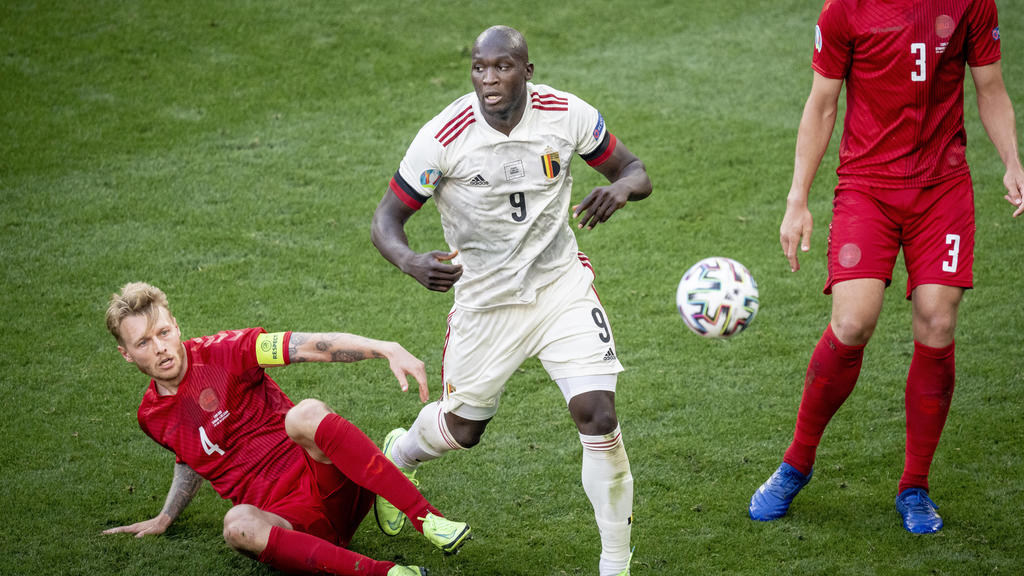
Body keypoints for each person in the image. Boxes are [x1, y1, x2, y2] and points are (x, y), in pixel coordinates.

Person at [370, 25, 652, 576]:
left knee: (598, 415)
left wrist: (620, 189)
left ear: (527, 70)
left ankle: (615, 562)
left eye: (502, 67)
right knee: (463, 430)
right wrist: (409, 261)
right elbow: (386, 219)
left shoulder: (567, 114)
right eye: (479, 67)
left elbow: (634, 170)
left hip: (559, 288)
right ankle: (397, 459)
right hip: (485, 303)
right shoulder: (443, 138)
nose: (489, 79)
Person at [749, 0, 1023, 534]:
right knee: (852, 322)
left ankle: (915, 486)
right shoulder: (845, 10)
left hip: (942, 186)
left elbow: (989, 88)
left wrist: (1013, 161)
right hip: (866, 187)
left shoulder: (970, 3)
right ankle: (795, 464)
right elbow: (822, 104)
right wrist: (796, 199)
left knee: (937, 322)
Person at [102, 282, 472, 576]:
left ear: (176, 325)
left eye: (164, 332)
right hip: (288, 524)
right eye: (144, 343)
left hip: (331, 482)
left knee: (304, 414)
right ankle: (389, 573)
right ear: (126, 353)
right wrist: (166, 516)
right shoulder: (150, 416)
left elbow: (311, 347)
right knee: (235, 525)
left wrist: (384, 347)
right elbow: (192, 455)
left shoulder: (229, 350)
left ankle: (426, 517)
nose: (161, 348)